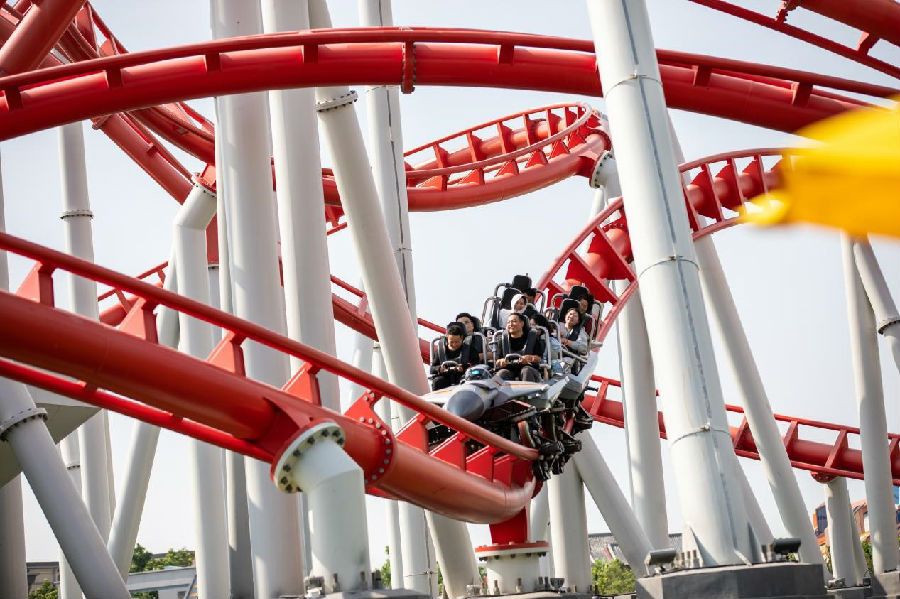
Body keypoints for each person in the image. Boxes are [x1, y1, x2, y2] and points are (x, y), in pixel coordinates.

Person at [494, 312, 545, 382]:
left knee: (526, 371)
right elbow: (497, 361)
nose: (510, 324)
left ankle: (528, 389)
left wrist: (528, 358)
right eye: (508, 322)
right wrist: (501, 361)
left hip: (528, 368)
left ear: (522, 323)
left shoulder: (532, 338)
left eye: (514, 321)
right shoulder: (502, 340)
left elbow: (539, 358)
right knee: (501, 374)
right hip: (509, 370)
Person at [430, 322, 476, 391]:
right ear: (447, 339)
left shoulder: (470, 350)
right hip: (445, 378)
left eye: (457, 342)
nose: (454, 344)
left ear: (462, 339)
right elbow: (432, 369)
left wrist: (464, 367)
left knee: (467, 380)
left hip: (463, 377)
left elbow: (476, 364)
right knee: (437, 382)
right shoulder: (440, 351)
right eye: (451, 342)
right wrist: (439, 369)